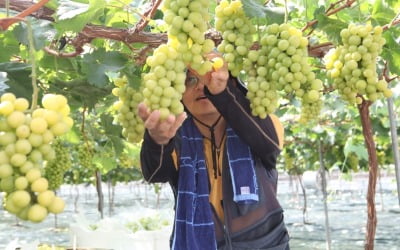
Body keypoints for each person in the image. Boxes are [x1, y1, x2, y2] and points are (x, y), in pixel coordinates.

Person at [138, 52, 290, 250]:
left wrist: (221, 94)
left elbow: (270, 145)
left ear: (232, 84)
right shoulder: (175, 136)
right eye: (191, 79)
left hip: (267, 244)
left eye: (208, 74)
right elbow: (155, 174)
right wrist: (157, 140)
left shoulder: (259, 125)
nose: (201, 85)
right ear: (178, 92)